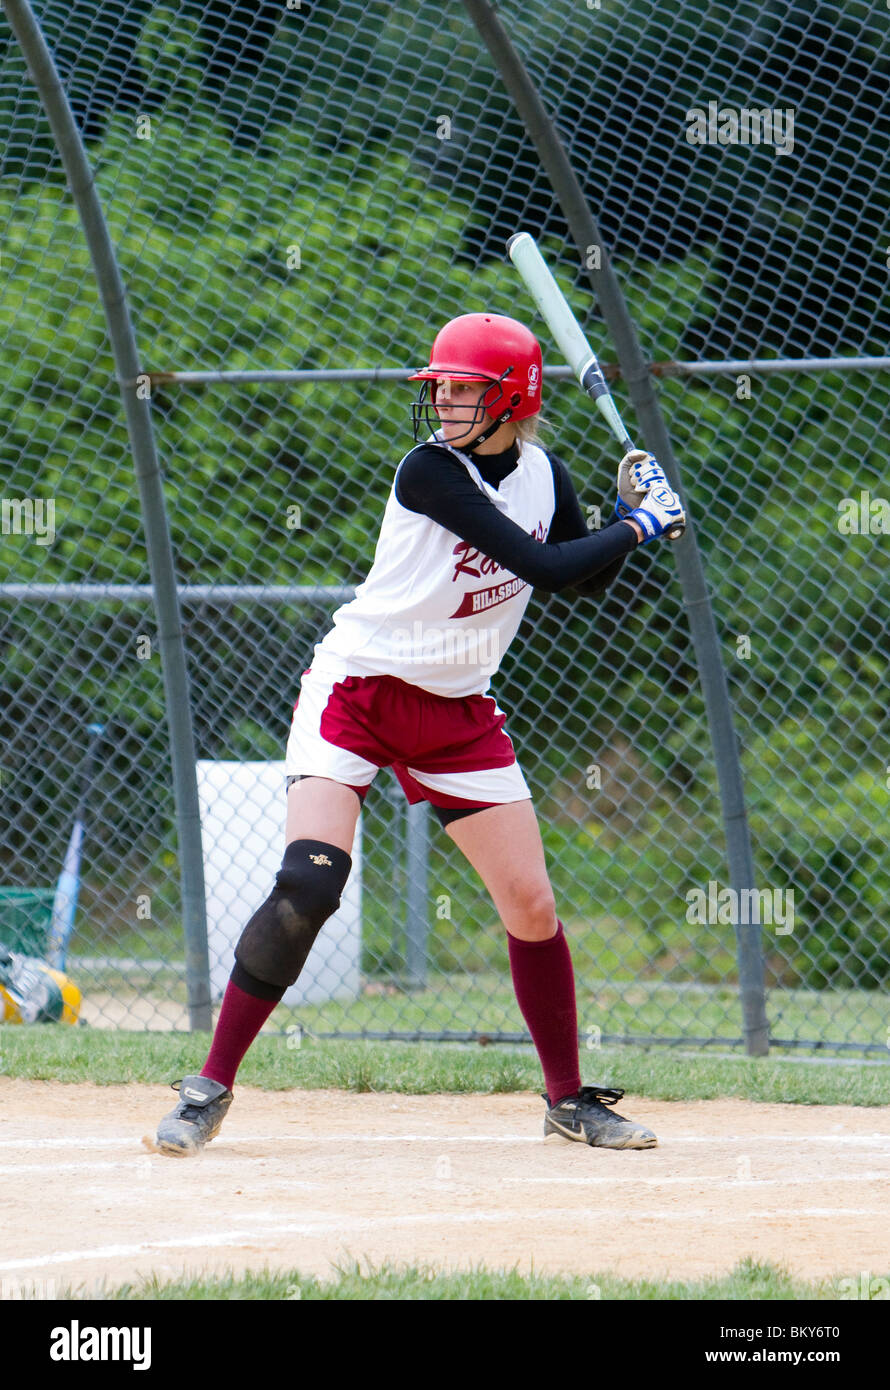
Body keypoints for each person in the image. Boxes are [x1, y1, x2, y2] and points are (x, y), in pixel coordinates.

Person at [155, 311, 685, 1156]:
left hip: (458, 709)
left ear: (515, 396)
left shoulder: (546, 476)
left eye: (465, 389)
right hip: (358, 692)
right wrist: (646, 525)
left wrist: (628, 515)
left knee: (532, 904)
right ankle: (209, 1086)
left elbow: (583, 581)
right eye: (439, 386)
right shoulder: (430, 472)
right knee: (310, 883)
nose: (443, 401)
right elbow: (544, 570)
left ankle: (567, 1099)